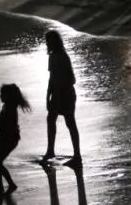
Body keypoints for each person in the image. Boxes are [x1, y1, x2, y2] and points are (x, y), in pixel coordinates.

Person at [43, 29, 81, 165]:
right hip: (55, 95)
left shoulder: (63, 57)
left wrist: (61, 93)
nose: (48, 43)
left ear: (56, 41)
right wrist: (47, 96)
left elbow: (72, 79)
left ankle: (77, 156)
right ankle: (50, 151)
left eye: (50, 41)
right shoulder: (51, 56)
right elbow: (51, 78)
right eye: (47, 41)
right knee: (50, 119)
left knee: (70, 122)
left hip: (66, 95)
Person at [0, 83, 31, 198]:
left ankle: (2, 187)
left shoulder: (9, 108)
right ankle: (8, 185)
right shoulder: (8, 106)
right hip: (7, 138)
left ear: (7, 96)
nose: (0, 96)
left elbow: (9, 126)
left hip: (8, 139)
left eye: (2, 94)